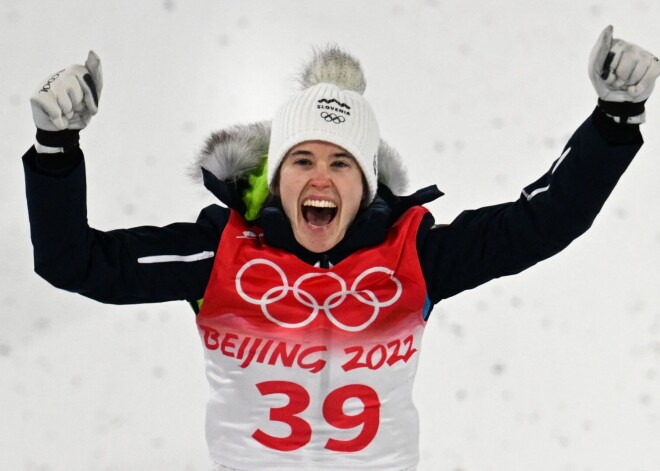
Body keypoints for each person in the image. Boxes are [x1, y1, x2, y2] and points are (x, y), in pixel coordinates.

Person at [22, 26, 659, 471]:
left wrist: (613, 120)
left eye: (341, 163)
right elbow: (73, 261)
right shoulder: (223, 253)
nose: (320, 177)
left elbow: (545, 220)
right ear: (278, 178)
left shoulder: (414, 253)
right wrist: (55, 150)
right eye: (301, 159)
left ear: (366, 184)